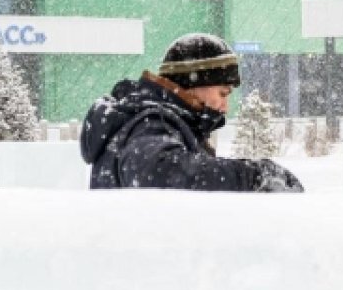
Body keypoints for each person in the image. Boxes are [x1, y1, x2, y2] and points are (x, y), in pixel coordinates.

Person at [80, 33, 304, 192]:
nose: (225, 107)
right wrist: (253, 175)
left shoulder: (153, 120)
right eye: (223, 93)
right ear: (194, 83)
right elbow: (160, 174)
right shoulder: (151, 122)